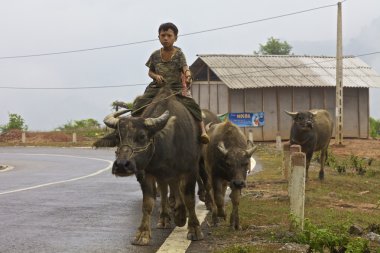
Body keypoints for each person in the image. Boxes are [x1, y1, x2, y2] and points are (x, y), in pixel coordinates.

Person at [132, 22, 209, 144]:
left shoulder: (179, 54)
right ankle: (132, 129)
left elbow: (185, 67)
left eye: (169, 35)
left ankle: (203, 131)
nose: (166, 38)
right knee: (138, 104)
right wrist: (156, 76)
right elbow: (150, 72)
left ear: (175, 38)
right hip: (157, 87)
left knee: (193, 105)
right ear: (159, 37)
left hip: (176, 87)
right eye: (163, 35)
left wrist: (188, 75)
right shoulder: (155, 55)